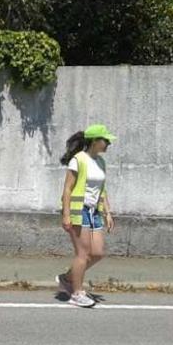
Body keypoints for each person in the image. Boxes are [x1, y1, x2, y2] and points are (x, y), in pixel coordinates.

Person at [55, 124, 116, 308]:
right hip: (78, 210)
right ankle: (77, 292)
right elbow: (67, 189)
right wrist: (66, 214)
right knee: (83, 253)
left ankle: (67, 278)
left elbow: (102, 190)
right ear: (94, 141)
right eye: (105, 140)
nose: (108, 144)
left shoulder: (101, 162)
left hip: (94, 210)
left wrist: (107, 212)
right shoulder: (79, 159)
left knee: (97, 253)